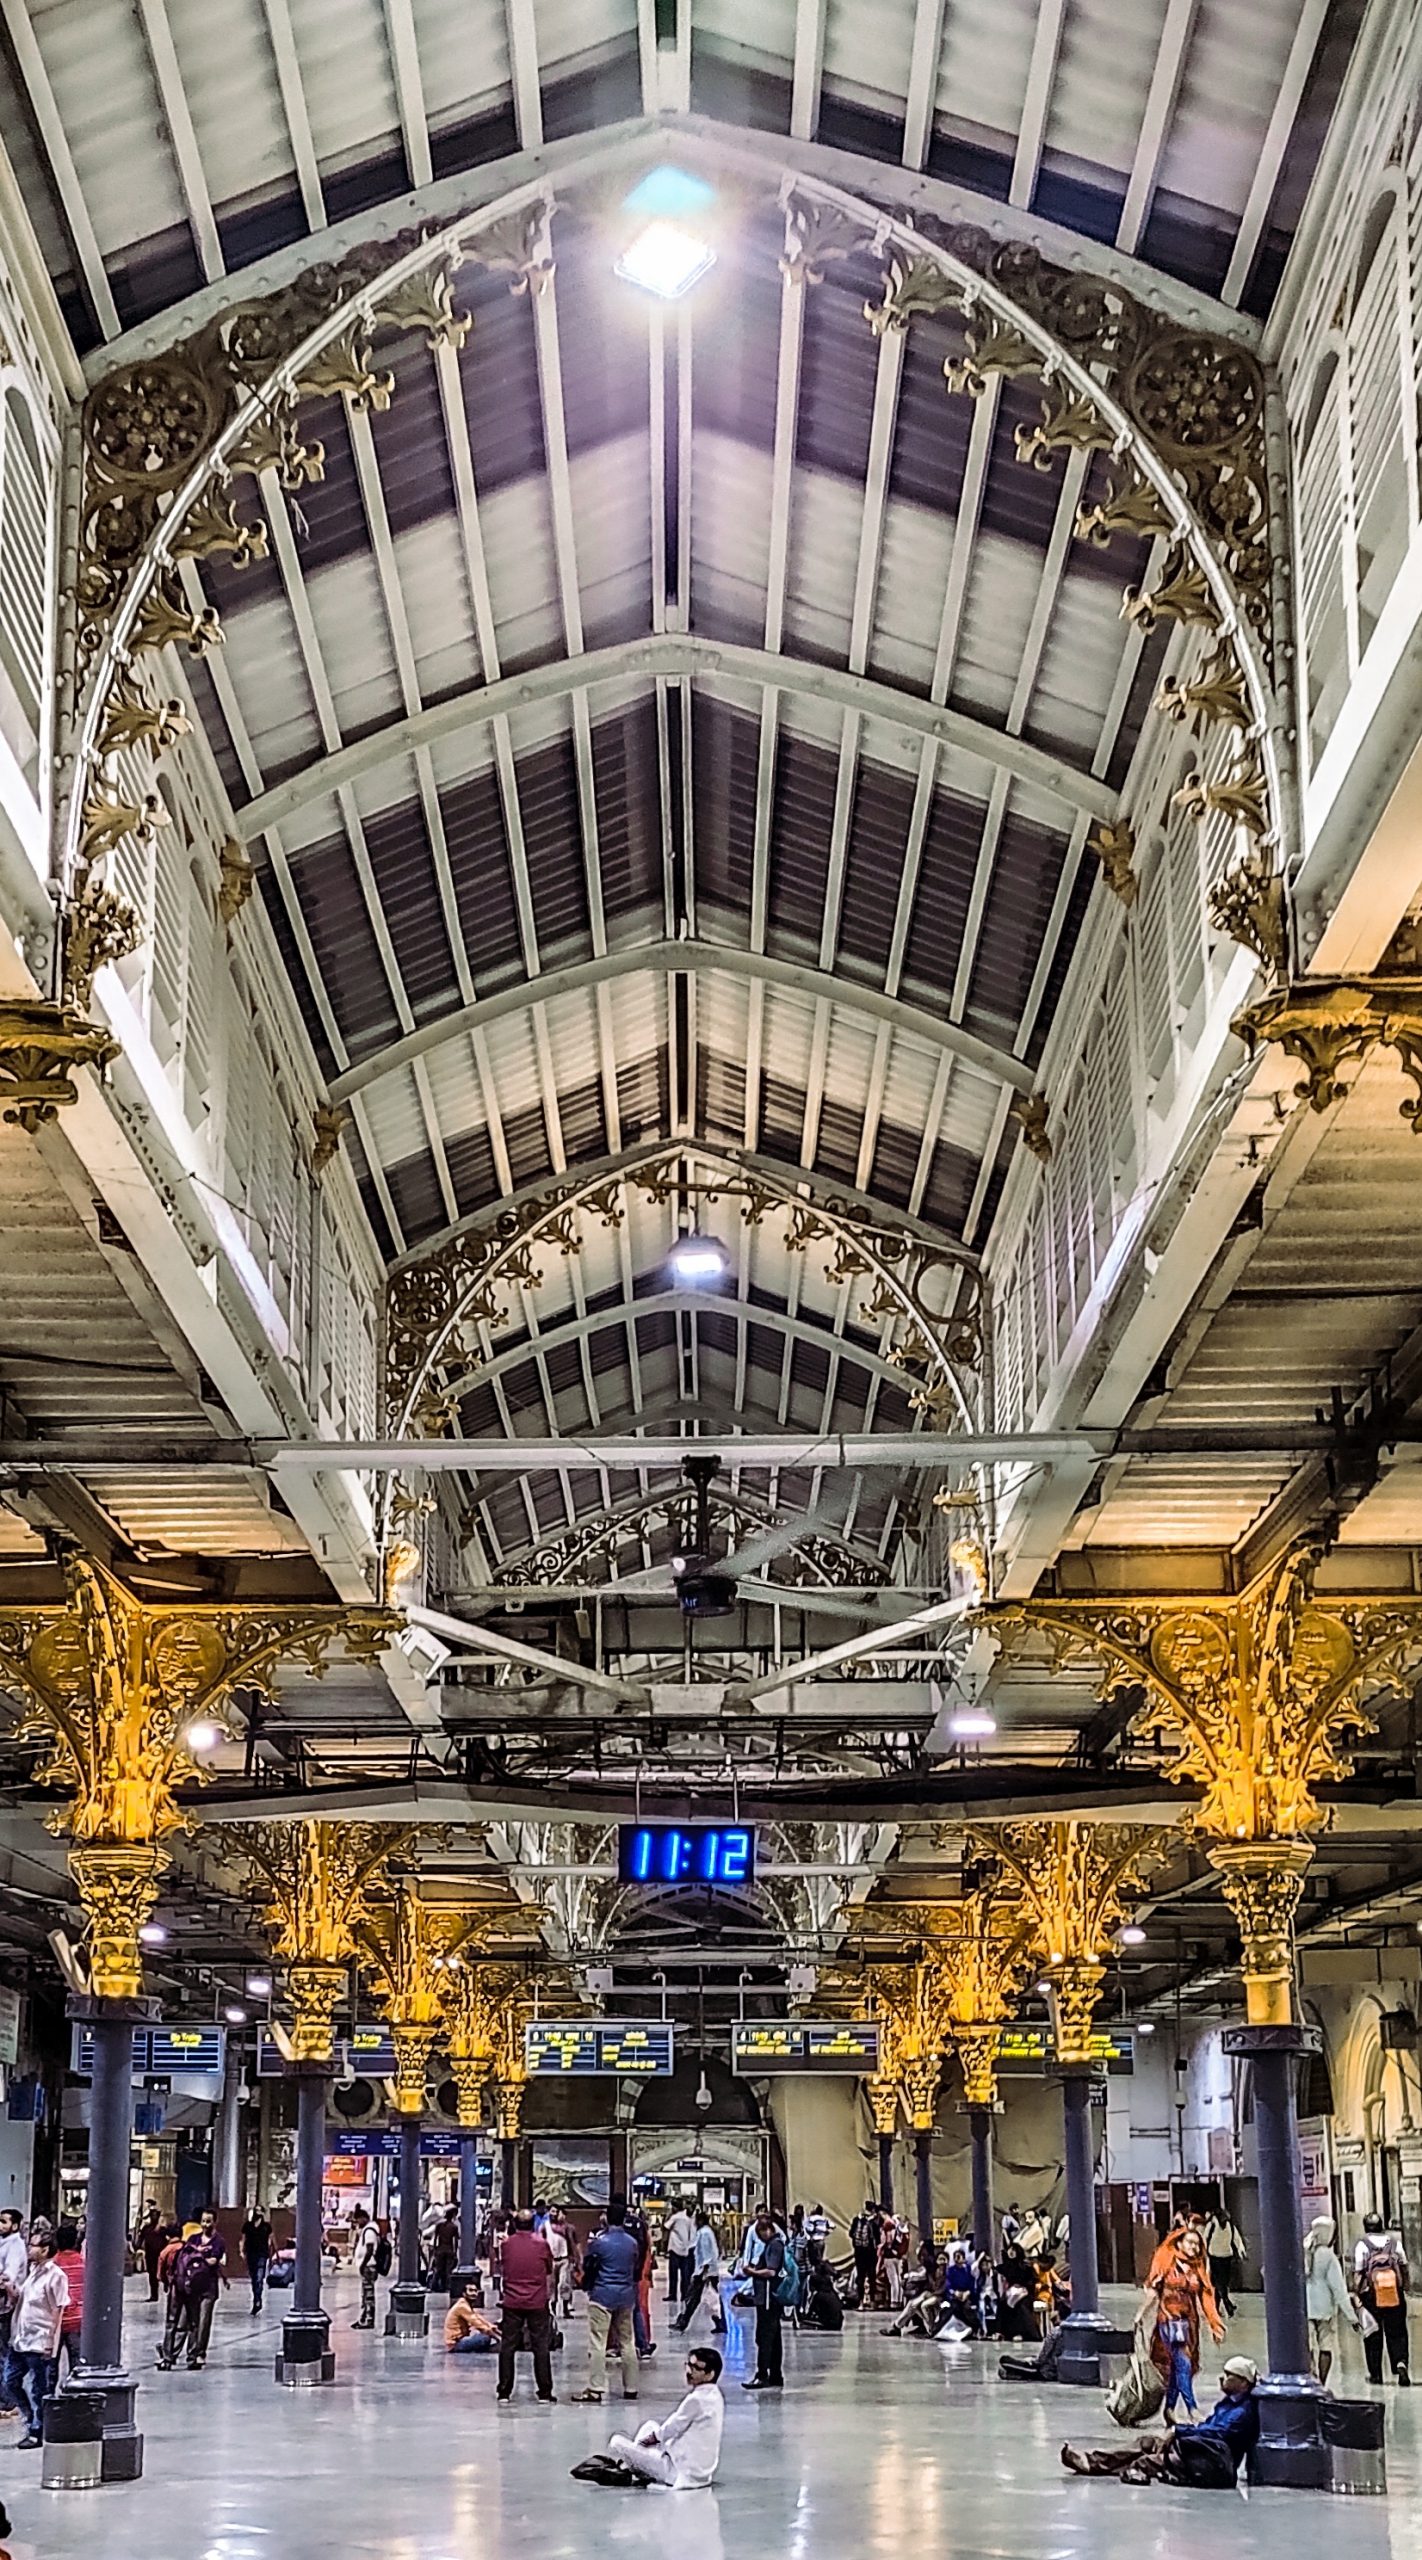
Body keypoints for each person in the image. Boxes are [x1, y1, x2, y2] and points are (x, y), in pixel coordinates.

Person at [1061, 2355, 1261, 2486]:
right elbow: (1209, 2428)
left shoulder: (1242, 2412)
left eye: (1229, 2376)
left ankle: (1105, 2466)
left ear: (1243, 2382)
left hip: (1206, 2459)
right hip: (1196, 2447)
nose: (1221, 2378)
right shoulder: (1228, 2404)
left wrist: (1178, 2431)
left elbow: (1216, 2434)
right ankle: (1092, 2460)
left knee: (1148, 2460)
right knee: (1146, 2443)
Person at [574, 2347, 726, 2491]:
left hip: (677, 2471)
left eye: (696, 2368)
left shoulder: (696, 2400)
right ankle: (634, 2463)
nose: (689, 2371)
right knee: (649, 2426)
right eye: (689, 2365)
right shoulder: (715, 2395)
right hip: (697, 2470)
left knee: (616, 2441)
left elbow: (673, 2427)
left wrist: (650, 2441)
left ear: (709, 2374)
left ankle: (632, 2465)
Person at [1148, 2224, 1223, 2419]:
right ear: (1179, 2242)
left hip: (1189, 2324)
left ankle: (1170, 2409)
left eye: (1197, 2244)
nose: (1194, 2247)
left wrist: (1215, 2323)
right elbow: (1152, 2289)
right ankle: (1192, 2408)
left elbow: (1206, 2295)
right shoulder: (1166, 2261)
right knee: (1183, 2363)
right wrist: (1141, 2315)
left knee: (1177, 2366)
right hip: (1168, 2320)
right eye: (1190, 2242)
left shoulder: (1198, 2267)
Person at [573, 2199, 641, 2405]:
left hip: (602, 2295)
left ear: (606, 2218)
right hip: (626, 2295)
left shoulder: (600, 2242)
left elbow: (589, 2265)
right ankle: (631, 2387)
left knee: (598, 2342)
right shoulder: (632, 2243)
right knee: (627, 2342)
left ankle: (596, 2387)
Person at [3, 2233, 67, 2448]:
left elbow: (58, 2310)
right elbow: (22, 2299)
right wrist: (10, 2289)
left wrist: (51, 2341)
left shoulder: (56, 2276)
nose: (29, 2249)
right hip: (21, 2338)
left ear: (46, 2249)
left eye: (34, 2246)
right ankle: (29, 2418)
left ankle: (37, 2429)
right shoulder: (32, 2273)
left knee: (39, 2388)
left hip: (39, 2340)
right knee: (10, 2381)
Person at [496, 2208, 556, 2404]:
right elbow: (548, 2268)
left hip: (512, 2301)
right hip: (537, 2301)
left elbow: (503, 2265)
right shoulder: (542, 2244)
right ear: (533, 2224)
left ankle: (504, 2391)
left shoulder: (506, 2245)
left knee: (508, 2346)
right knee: (540, 2346)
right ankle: (544, 2391)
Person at [159, 2211, 227, 2370]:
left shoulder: (219, 2241)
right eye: (203, 2221)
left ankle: (198, 2353)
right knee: (183, 2321)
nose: (205, 2225)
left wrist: (197, 2258)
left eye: (209, 2221)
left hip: (208, 2287)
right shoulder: (193, 2239)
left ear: (215, 2222)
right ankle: (172, 2354)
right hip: (189, 2287)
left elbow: (213, 2261)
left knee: (202, 2322)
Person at [1354, 2210, 1410, 2384]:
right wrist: (1404, 2288)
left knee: (1373, 2333)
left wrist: (1356, 2294)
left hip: (1372, 2295)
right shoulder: (1395, 2243)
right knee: (1398, 2332)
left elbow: (1358, 2273)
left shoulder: (1362, 2245)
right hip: (1394, 2293)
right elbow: (1404, 2268)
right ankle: (1400, 2363)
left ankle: (1376, 2374)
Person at [1305, 2213, 1359, 2385]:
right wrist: (1352, 2317)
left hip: (1305, 2306)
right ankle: (1322, 2382)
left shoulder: (1303, 2251)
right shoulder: (1328, 2256)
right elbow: (1339, 2289)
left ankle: (1309, 2379)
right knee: (1325, 2346)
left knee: (1307, 2346)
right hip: (1324, 2308)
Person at [744, 2213, 787, 2391]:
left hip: (769, 2298)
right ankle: (775, 2374)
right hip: (770, 2298)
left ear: (767, 2230)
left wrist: (751, 2272)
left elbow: (771, 2272)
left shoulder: (774, 2245)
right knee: (774, 2338)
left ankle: (762, 2374)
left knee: (764, 2337)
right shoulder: (773, 2244)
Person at [675, 2209, 727, 2336]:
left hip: (705, 2272)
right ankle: (685, 2321)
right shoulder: (706, 2232)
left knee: (698, 2297)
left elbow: (706, 2253)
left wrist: (704, 2271)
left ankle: (684, 2321)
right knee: (705, 2298)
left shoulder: (704, 2233)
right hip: (707, 2271)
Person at [52, 2221, 84, 2373]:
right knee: (76, 2364)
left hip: (54, 2322)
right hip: (77, 2319)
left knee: (51, 2367)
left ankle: (50, 2394)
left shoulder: (52, 2265)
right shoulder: (83, 2263)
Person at [1203, 2205, 1246, 2318]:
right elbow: (1205, 2238)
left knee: (1222, 2284)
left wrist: (1241, 2251)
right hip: (1215, 2257)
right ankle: (1227, 2304)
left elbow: (1237, 2239)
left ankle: (1219, 2307)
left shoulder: (1230, 2226)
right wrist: (1203, 2254)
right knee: (1219, 2283)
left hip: (1226, 2256)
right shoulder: (1211, 2225)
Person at [995, 2239, 1040, 2341]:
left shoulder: (1026, 2267)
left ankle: (1023, 2333)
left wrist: (1023, 2288)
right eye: (1010, 2249)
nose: (1011, 2252)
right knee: (1002, 2304)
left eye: (1013, 2250)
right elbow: (997, 2270)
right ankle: (1002, 2332)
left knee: (1021, 2307)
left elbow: (1033, 2281)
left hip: (1025, 2293)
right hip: (1011, 2292)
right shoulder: (1006, 2266)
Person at [445, 2277, 501, 2357]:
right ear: (464, 2293)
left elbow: (479, 2319)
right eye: (470, 2290)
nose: (474, 2293)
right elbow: (479, 2325)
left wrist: (495, 2329)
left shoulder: (466, 2305)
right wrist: (498, 2339)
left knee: (483, 2336)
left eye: (475, 2291)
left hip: (459, 2340)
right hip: (455, 2344)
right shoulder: (462, 2306)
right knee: (485, 2338)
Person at [352, 2209, 383, 2329]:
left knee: (368, 2294)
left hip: (369, 2267)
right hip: (368, 2266)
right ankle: (363, 2318)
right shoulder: (369, 2229)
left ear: (363, 2218)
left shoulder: (369, 2231)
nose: (357, 2222)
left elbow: (369, 2249)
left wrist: (363, 2264)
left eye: (358, 2220)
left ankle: (369, 2320)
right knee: (365, 2294)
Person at [241, 2205, 273, 2315]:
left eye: (260, 2210)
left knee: (259, 2278)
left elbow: (270, 2240)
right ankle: (256, 2299)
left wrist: (273, 2253)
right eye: (256, 2210)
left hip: (262, 2254)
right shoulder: (248, 2226)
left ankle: (258, 2301)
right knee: (254, 2279)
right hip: (251, 2253)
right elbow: (243, 2239)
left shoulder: (266, 2227)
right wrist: (242, 2251)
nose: (258, 2212)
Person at [850, 2201, 881, 2309]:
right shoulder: (873, 2223)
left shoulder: (856, 2220)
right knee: (872, 2277)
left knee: (860, 2277)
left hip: (859, 2253)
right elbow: (877, 2238)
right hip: (870, 2253)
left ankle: (861, 2302)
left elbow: (851, 2233)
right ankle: (872, 2301)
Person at [665, 2201, 695, 2311]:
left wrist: (669, 2215)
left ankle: (672, 2294)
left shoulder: (675, 2217)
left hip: (675, 2248)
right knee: (685, 2275)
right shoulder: (688, 2218)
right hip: (686, 2248)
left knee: (673, 2274)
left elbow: (666, 2226)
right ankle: (684, 2295)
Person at [799, 2258, 844, 2331]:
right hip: (838, 2323)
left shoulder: (818, 2295)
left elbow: (810, 2312)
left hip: (830, 2324)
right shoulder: (833, 2293)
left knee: (804, 2322)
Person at [545, 2207, 573, 2322]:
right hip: (551, 2259)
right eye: (551, 2211)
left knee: (564, 2283)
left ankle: (566, 2308)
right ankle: (552, 2308)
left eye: (556, 2211)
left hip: (564, 2259)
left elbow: (571, 2242)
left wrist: (574, 2257)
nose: (554, 2214)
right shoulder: (545, 2226)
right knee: (551, 2286)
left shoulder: (566, 2227)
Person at [134, 2202, 165, 2304]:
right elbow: (140, 2240)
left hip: (160, 2255)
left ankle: (165, 2288)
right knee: (152, 2274)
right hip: (150, 2255)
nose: (154, 2217)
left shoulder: (162, 2229)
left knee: (162, 2274)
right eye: (152, 2215)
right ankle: (154, 2294)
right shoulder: (146, 2228)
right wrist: (137, 2247)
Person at [428, 2205, 461, 2298]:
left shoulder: (440, 2226)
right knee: (448, 2270)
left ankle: (434, 2286)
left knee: (438, 2269)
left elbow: (435, 2238)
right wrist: (455, 2252)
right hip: (449, 2249)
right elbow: (455, 2241)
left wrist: (435, 2248)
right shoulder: (454, 2227)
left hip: (440, 2249)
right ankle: (447, 2286)